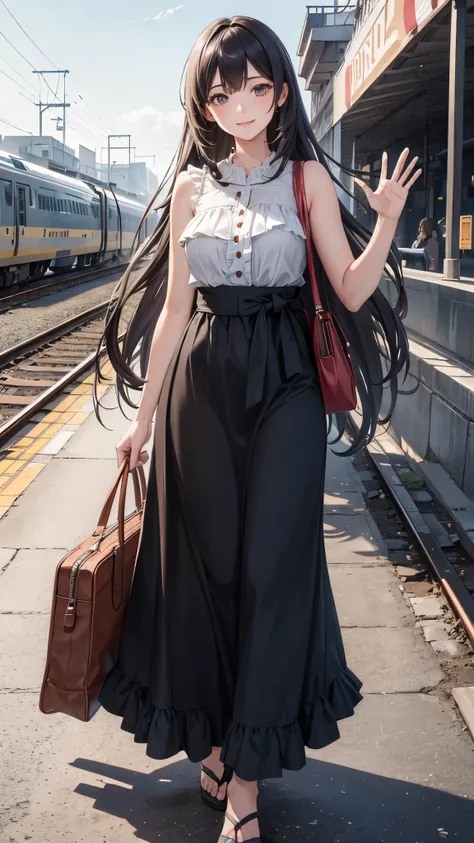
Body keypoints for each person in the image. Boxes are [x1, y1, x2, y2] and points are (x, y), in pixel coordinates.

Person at [95, 16, 421, 843]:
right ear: (205, 105)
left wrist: (383, 222)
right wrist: (141, 420)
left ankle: (244, 777)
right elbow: (172, 314)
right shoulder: (189, 192)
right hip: (200, 384)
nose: (242, 103)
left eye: (257, 87)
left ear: (279, 92)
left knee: (274, 566)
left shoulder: (306, 178)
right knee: (204, 573)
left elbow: (347, 290)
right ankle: (214, 741)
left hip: (283, 383)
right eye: (223, 90)